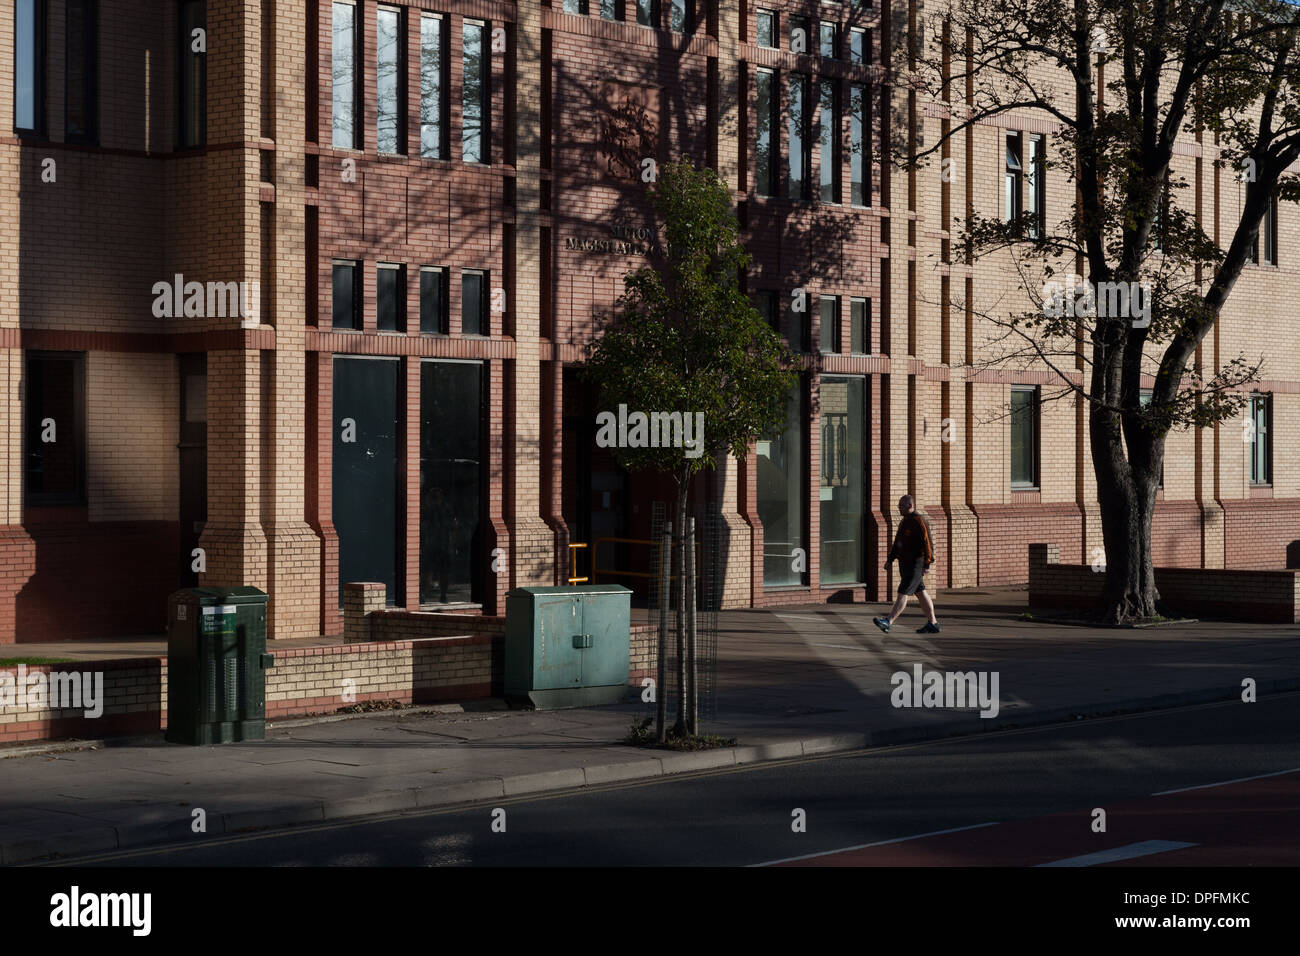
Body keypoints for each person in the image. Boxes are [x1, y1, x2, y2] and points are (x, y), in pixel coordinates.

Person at [873, 495, 940, 634]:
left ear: (910, 506)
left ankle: (888, 621)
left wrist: (927, 563)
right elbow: (898, 542)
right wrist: (890, 559)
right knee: (921, 593)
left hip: (916, 564)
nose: (899, 508)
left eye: (901, 506)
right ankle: (933, 623)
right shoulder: (904, 521)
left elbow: (928, 544)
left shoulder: (919, 521)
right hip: (905, 564)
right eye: (899, 505)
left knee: (903, 592)